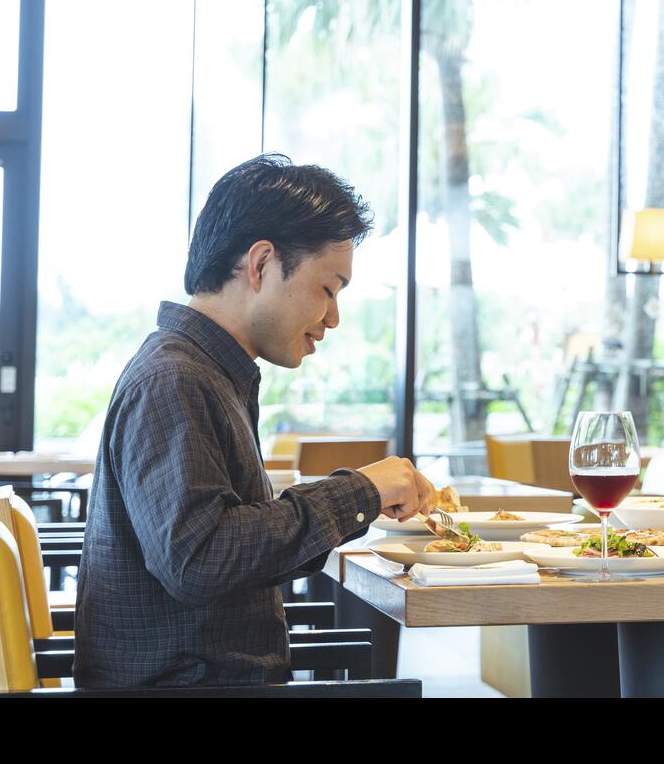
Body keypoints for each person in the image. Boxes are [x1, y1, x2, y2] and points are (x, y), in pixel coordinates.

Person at [74, 154, 435, 688]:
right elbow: (200, 560)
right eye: (329, 289)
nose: (333, 318)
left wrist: (357, 498)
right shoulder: (175, 379)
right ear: (262, 264)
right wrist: (361, 492)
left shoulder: (206, 373)